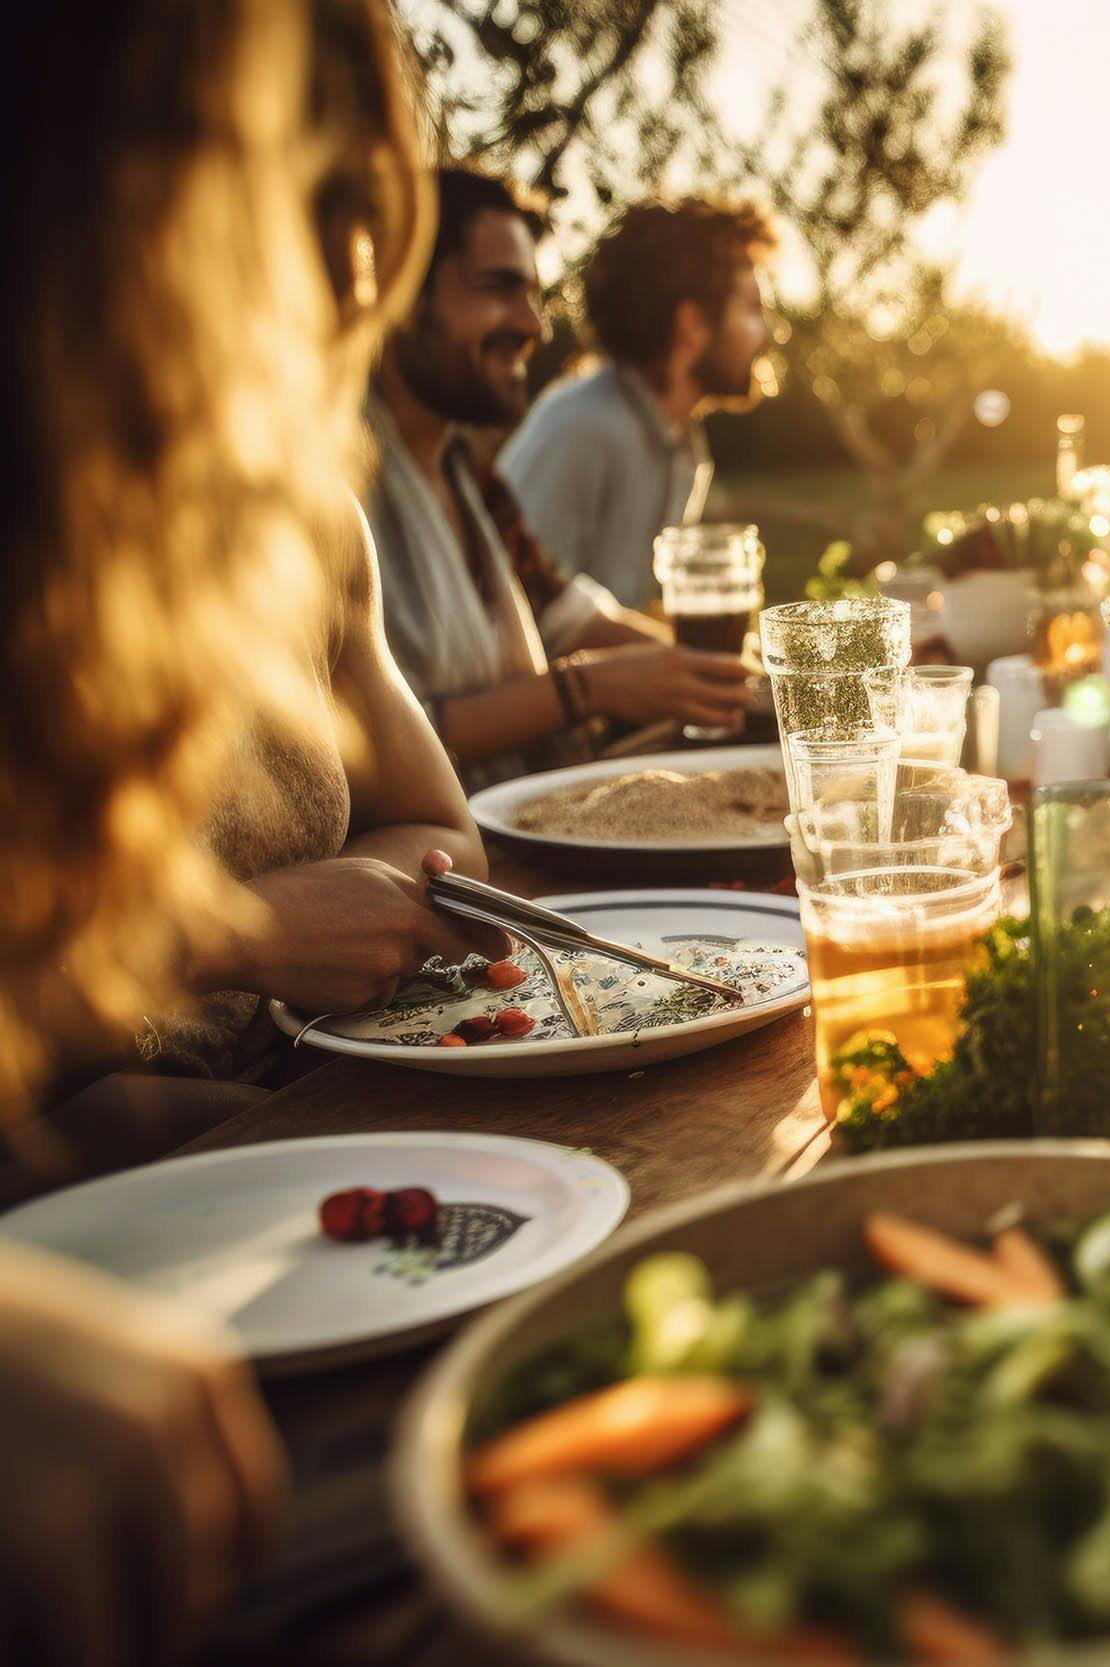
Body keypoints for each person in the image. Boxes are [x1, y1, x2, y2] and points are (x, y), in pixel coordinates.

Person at [0, 0, 501, 1655]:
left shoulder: (294, 513)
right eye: (295, 204)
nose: (340, 285)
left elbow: (450, 841)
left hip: (286, 1206)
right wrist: (237, 932)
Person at [366, 165, 754, 785]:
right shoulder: (334, 490)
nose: (533, 326)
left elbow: (564, 611)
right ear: (396, 291)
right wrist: (588, 688)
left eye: (534, 297)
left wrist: (751, 682)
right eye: (499, 288)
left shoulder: (471, 482)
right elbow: (354, 744)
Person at [499, 195, 779, 608]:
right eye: (753, 308)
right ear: (693, 325)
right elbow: (517, 611)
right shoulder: (583, 427)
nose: (769, 332)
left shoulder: (682, 442)